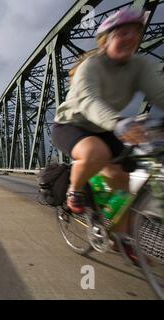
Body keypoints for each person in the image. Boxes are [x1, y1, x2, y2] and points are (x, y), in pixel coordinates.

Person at [52, 7, 164, 217]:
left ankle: (119, 240)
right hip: (71, 124)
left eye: (136, 33)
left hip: (106, 127)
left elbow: (160, 93)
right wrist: (119, 122)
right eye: (123, 33)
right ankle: (74, 191)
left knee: (122, 181)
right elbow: (88, 100)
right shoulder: (91, 65)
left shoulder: (140, 66)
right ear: (106, 40)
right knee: (96, 153)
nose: (131, 38)